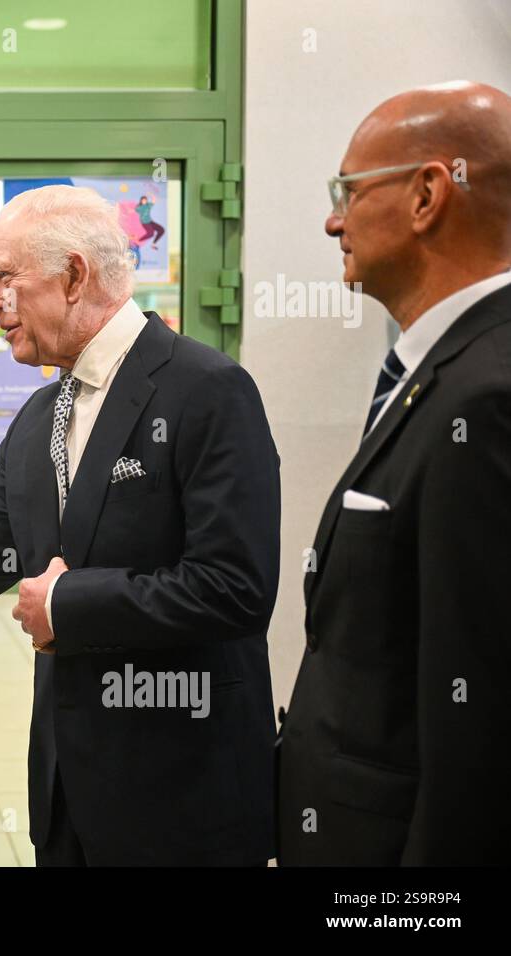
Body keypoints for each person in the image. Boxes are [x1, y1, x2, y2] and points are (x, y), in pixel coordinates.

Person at [0, 185, 282, 865]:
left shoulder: (208, 391)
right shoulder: (38, 417)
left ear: (75, 276)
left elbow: (235, 587)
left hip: (185, 802)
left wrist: (69, 603)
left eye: (4, 276)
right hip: (66, 801)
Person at [278, 81, 511, 866]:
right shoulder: (435, 370)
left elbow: (480, 713)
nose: (332, 219)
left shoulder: (490, 394)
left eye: (348, 190)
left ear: (426, 194)